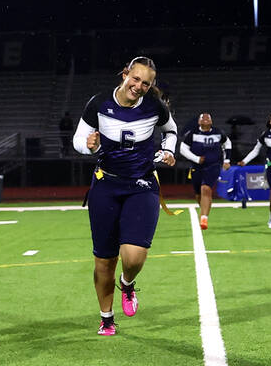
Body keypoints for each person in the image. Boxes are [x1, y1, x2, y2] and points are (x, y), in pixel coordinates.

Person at [72, 56, 177, 337]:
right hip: (106, 186)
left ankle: (127, 284)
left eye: (146, 83)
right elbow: (78, 140)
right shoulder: (99, 103)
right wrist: (88, 146)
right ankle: (106, 318)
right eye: (136, 78)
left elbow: (171, 131)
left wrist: (169, 151)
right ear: (125, 74)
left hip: (142, 185)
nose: (139, 86)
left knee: (133, 257)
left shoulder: (155, 106)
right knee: (104, 259)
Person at [179, 112, 231, 230]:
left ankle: (204, 218)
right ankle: (203, 210)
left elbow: (228, 143)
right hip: (197, 166)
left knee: (205, 189)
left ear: (212, 121)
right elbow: (183, 149)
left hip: (214, 165)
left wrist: (226, 160)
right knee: (198, 194)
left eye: (208, 117)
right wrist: (196, 159)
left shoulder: (218, 132)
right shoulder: (192, 133)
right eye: (203, 117)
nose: (206, 119)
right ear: (199, 122)